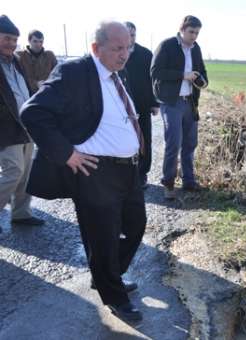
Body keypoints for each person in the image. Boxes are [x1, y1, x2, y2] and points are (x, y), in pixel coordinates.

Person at [21, 21, 146, 322]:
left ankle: (106, 275)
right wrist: (67, 154)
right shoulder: (75, 72)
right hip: (96, 171)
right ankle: (114, 295)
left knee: (136, 225)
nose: (125, 54)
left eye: (127, 47)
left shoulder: (117, 74)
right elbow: (32, 112)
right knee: (102, 236)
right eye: (118, 48)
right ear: (96, 48)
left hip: (128, 170)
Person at [151, 15, 208, 199]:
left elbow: (202, 70)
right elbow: (155, 72)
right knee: (173, 143)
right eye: (191, 32)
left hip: (190, 102)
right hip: (171, 102)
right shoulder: (167, 45)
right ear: (182, 29)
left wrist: (203, 81)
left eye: (197, 33)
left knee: (190, 143)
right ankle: (168, 183)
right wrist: (183, 75)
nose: (194, 36)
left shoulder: (196, 48)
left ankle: (189, 182)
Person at [0, 14, 45, 231]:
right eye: (6, 38)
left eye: (14, 39)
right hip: (6, 128)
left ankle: (21, 213)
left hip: (25, 124)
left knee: (27, 171)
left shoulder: (16, 61)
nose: (11, 43)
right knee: (13, 171)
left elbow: (24, 89)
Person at [121, 21, 158, 189]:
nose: (130, 38)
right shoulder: (116, 54)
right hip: (121, 105)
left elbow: (153, 80)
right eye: (127, 35)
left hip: (142, 104)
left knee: (144, 140)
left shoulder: (145, 54)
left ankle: (142, 173)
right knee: (124, 139)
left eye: (133, 35)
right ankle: (125, 174)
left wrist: (154, 102)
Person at [15, 29, 57, 94]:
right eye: (35, 41)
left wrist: (47, 84)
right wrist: (35, 84)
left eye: (41, 42)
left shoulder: (50, 56)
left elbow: (57, 74)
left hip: (47, 93)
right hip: (27, 95)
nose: (38, 44)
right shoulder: (19, 56)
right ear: (29, 41)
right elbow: (17, 77)